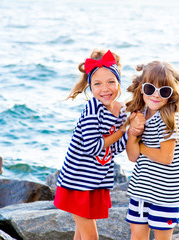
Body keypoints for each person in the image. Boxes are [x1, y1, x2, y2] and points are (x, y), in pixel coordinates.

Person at [54, 49, 142, 240]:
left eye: (111, 81)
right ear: (90, 87)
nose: (105, 89)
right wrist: (122, 131)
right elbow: (92, 147)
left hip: (95, 182)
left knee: (81, 235)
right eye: (97, 84)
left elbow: (115, 149)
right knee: (91, 237)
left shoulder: (119, 111)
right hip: (77, 183)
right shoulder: (92, 109)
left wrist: (132, 131)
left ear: (119, 82)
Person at [125, 61, 179, 240]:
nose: (156, 95)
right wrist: (133, 134)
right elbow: (132, 156)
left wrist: (141, 146)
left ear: (171, 94)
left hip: (166, 193)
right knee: (137, 235)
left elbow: (166, 157)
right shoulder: (140, 114)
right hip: (142, 187)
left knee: (162, 237)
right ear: (142, 88)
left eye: (164, 91)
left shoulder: (169, 119)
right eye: (151, 89)